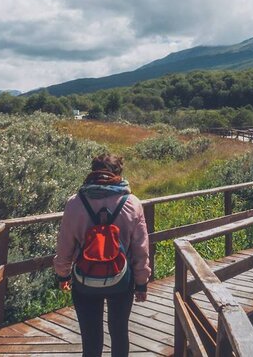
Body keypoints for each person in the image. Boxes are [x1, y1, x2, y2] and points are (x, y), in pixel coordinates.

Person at [54, 153, 150, 357]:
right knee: (119, 333)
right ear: (119, 172)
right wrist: (141, 283)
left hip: (84, 278)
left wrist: (63, 275)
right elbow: (140, 249)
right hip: (122, 279)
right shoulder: (132, 203)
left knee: (91, 340)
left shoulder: (75, 203)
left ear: (93, 172)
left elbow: (65, 245)